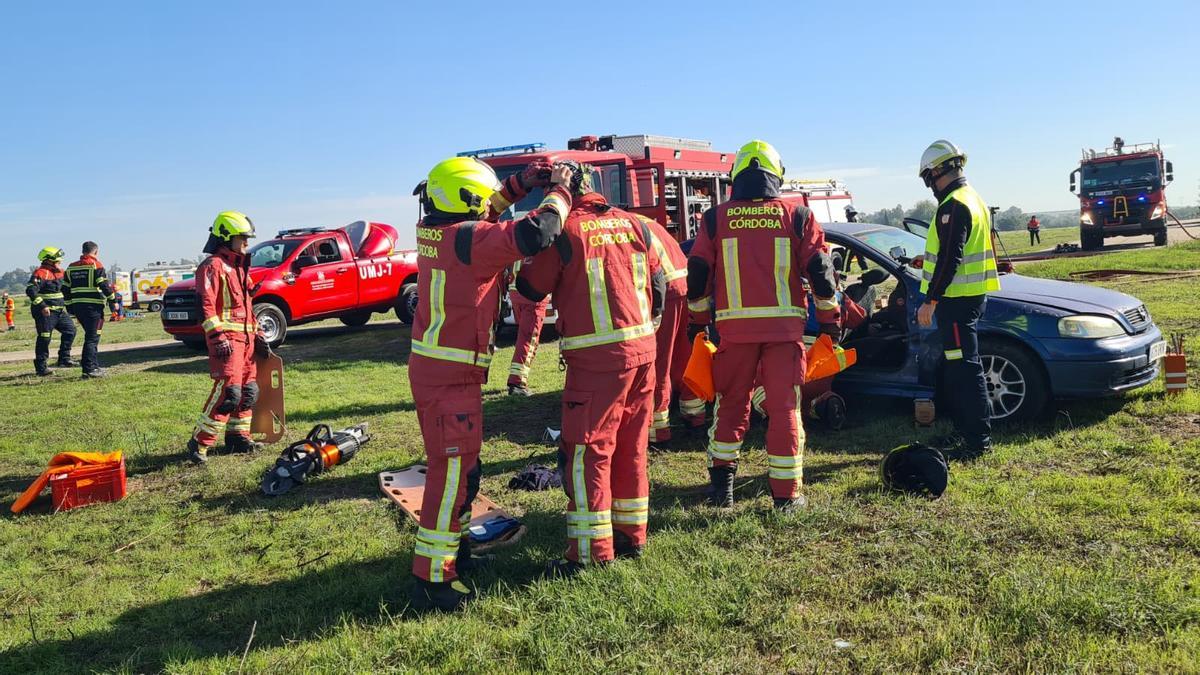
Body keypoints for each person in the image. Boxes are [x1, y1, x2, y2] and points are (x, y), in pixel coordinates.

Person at [407, 156, 572, 612]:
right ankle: (433, 580)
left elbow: (488, 212)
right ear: (466, 200)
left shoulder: (441, 232)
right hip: (450, 378)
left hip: (442, 371)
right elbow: (538, 232)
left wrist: (520, 183)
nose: (488, 208)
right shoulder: (469, 240)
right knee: (450, 478)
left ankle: (456, 554)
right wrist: (558, 190)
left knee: (464, 473)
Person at [517, 161, 665, 576]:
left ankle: (589, 553)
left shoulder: (566, 232)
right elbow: (659, 285)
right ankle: (631, 536)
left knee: (587, 453)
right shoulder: (635, 225)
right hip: (643, 353)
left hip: (597, 362)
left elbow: (530, 288)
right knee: (632, 447)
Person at [686, 140, 840, 512]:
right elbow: (821, 271)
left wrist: (698, 323)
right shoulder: (797, 216)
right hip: (784, 333)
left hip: (734, 333)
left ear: (736, 176)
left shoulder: (715, 218)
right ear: (776, 176)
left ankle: (721, 491)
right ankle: (786, 497)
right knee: (785, 410)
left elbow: (698, 273)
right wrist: (831, 322)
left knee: (730, 406)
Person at [914, 140, 1000, 460]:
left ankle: (977, 441)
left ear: (936, 172)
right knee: (959, 368)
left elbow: (951, 258)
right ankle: (966, 430)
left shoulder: (953, 205)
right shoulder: (972, 198)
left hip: (956, 303)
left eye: (928, 178)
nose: (930, 186)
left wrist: (930, 300)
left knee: (965, 371)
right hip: (968, 299)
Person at [186, 211, 268, 464]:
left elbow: (247, 306)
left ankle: (238, 437)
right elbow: (206, 306)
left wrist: (258, 333)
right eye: (242, 237)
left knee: (249, 391)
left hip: (247, 340)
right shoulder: (213, 266)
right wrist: (217, 336)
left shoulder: (239, 267)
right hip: (227, 341)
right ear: (226, 237)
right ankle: (200, 442)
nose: (246, 242)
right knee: (229, 392)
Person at [640, 213, 701, 444]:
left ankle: (659, 430)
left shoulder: (626, 226)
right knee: (684, 357)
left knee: (660, 363)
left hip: (665, 290)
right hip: (684, 284)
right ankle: (695, 417)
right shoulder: (646, 221)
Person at [62, 241, 118, 378]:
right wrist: (113, 301)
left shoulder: (71, 267)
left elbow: (65, 289)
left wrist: (69, 307)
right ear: (96, 252)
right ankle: (89, 369)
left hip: (78, 307)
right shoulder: (96, 265)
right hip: (93, 308)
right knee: (92, 338)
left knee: (90, 337)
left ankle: (93, 366)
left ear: (83, 251)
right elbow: (104, 285)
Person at [26, 247, 77, 376]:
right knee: (45, 337)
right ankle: (41, 367)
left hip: (59, 311)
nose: (60, 262)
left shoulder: (60, 272)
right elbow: (31, 290)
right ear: (49, 260)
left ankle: (64, 359)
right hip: (45, 312)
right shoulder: (41, 273)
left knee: (70, 331)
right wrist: (43, 306)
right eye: (58, 260)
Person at [505, 259, 548, 396]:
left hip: (515, 289)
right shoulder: (543, 243)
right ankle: (517, 382)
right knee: (528, 339)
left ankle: (516, 380)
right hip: (533, 292)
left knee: (523, 337)